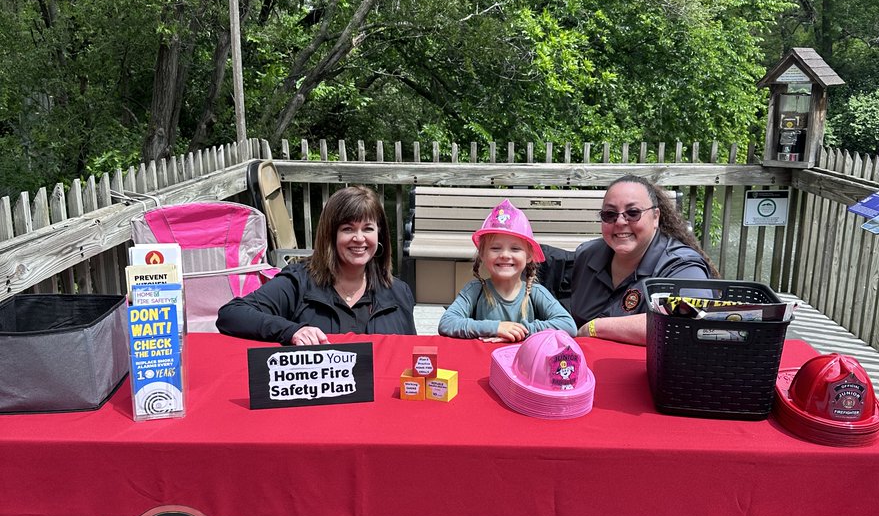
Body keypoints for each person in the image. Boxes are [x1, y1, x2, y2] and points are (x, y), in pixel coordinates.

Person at [216, 185, 415, 345]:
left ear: (379, 235)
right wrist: (292, 331)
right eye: (348, 229)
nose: (359, 238)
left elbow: (411, 357)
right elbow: (231, 315)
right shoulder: (298, 282)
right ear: (330, 235)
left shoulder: (399, 292)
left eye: (368, 228)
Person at [570, 174, 717, 345]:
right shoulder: (587, 255)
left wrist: (594, 327)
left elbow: (693, 319)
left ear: (655, 217)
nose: (619, 221)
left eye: (633, 213)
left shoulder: (682, 266)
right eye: (609, 214)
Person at [438, 199, 576, 340]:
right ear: (482, 254)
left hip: (524, 361)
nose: (504, 255)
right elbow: (447, 323)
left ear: (529, 256)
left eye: (515, 249)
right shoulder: (475, 290)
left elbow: (568, 325)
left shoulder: (535, 292)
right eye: (495, 248)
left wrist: (521, 331)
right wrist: (496, 328)